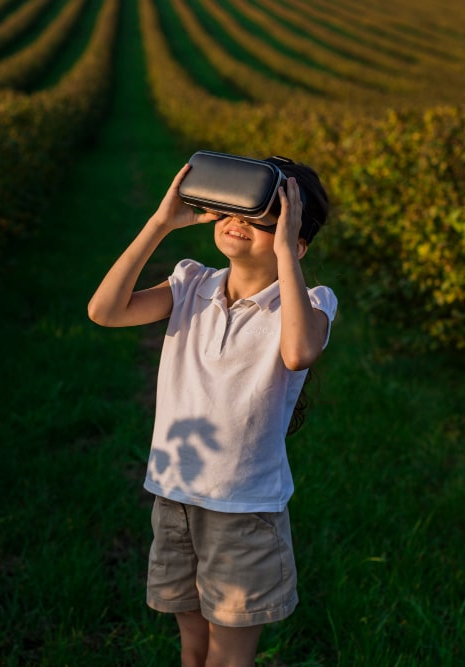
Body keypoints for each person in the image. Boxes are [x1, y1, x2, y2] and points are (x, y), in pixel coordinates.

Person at [87, 156, 337, 666]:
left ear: (296, 242)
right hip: (174, 496)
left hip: (244, 511)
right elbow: (105, 311)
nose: (238, 221)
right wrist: (160, 223)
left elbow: (298, 353)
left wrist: (286, 253)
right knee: (193, 649)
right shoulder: (190, 285)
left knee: (227, 659)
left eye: (262, 218)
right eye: (233, 208)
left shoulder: (310, 303)